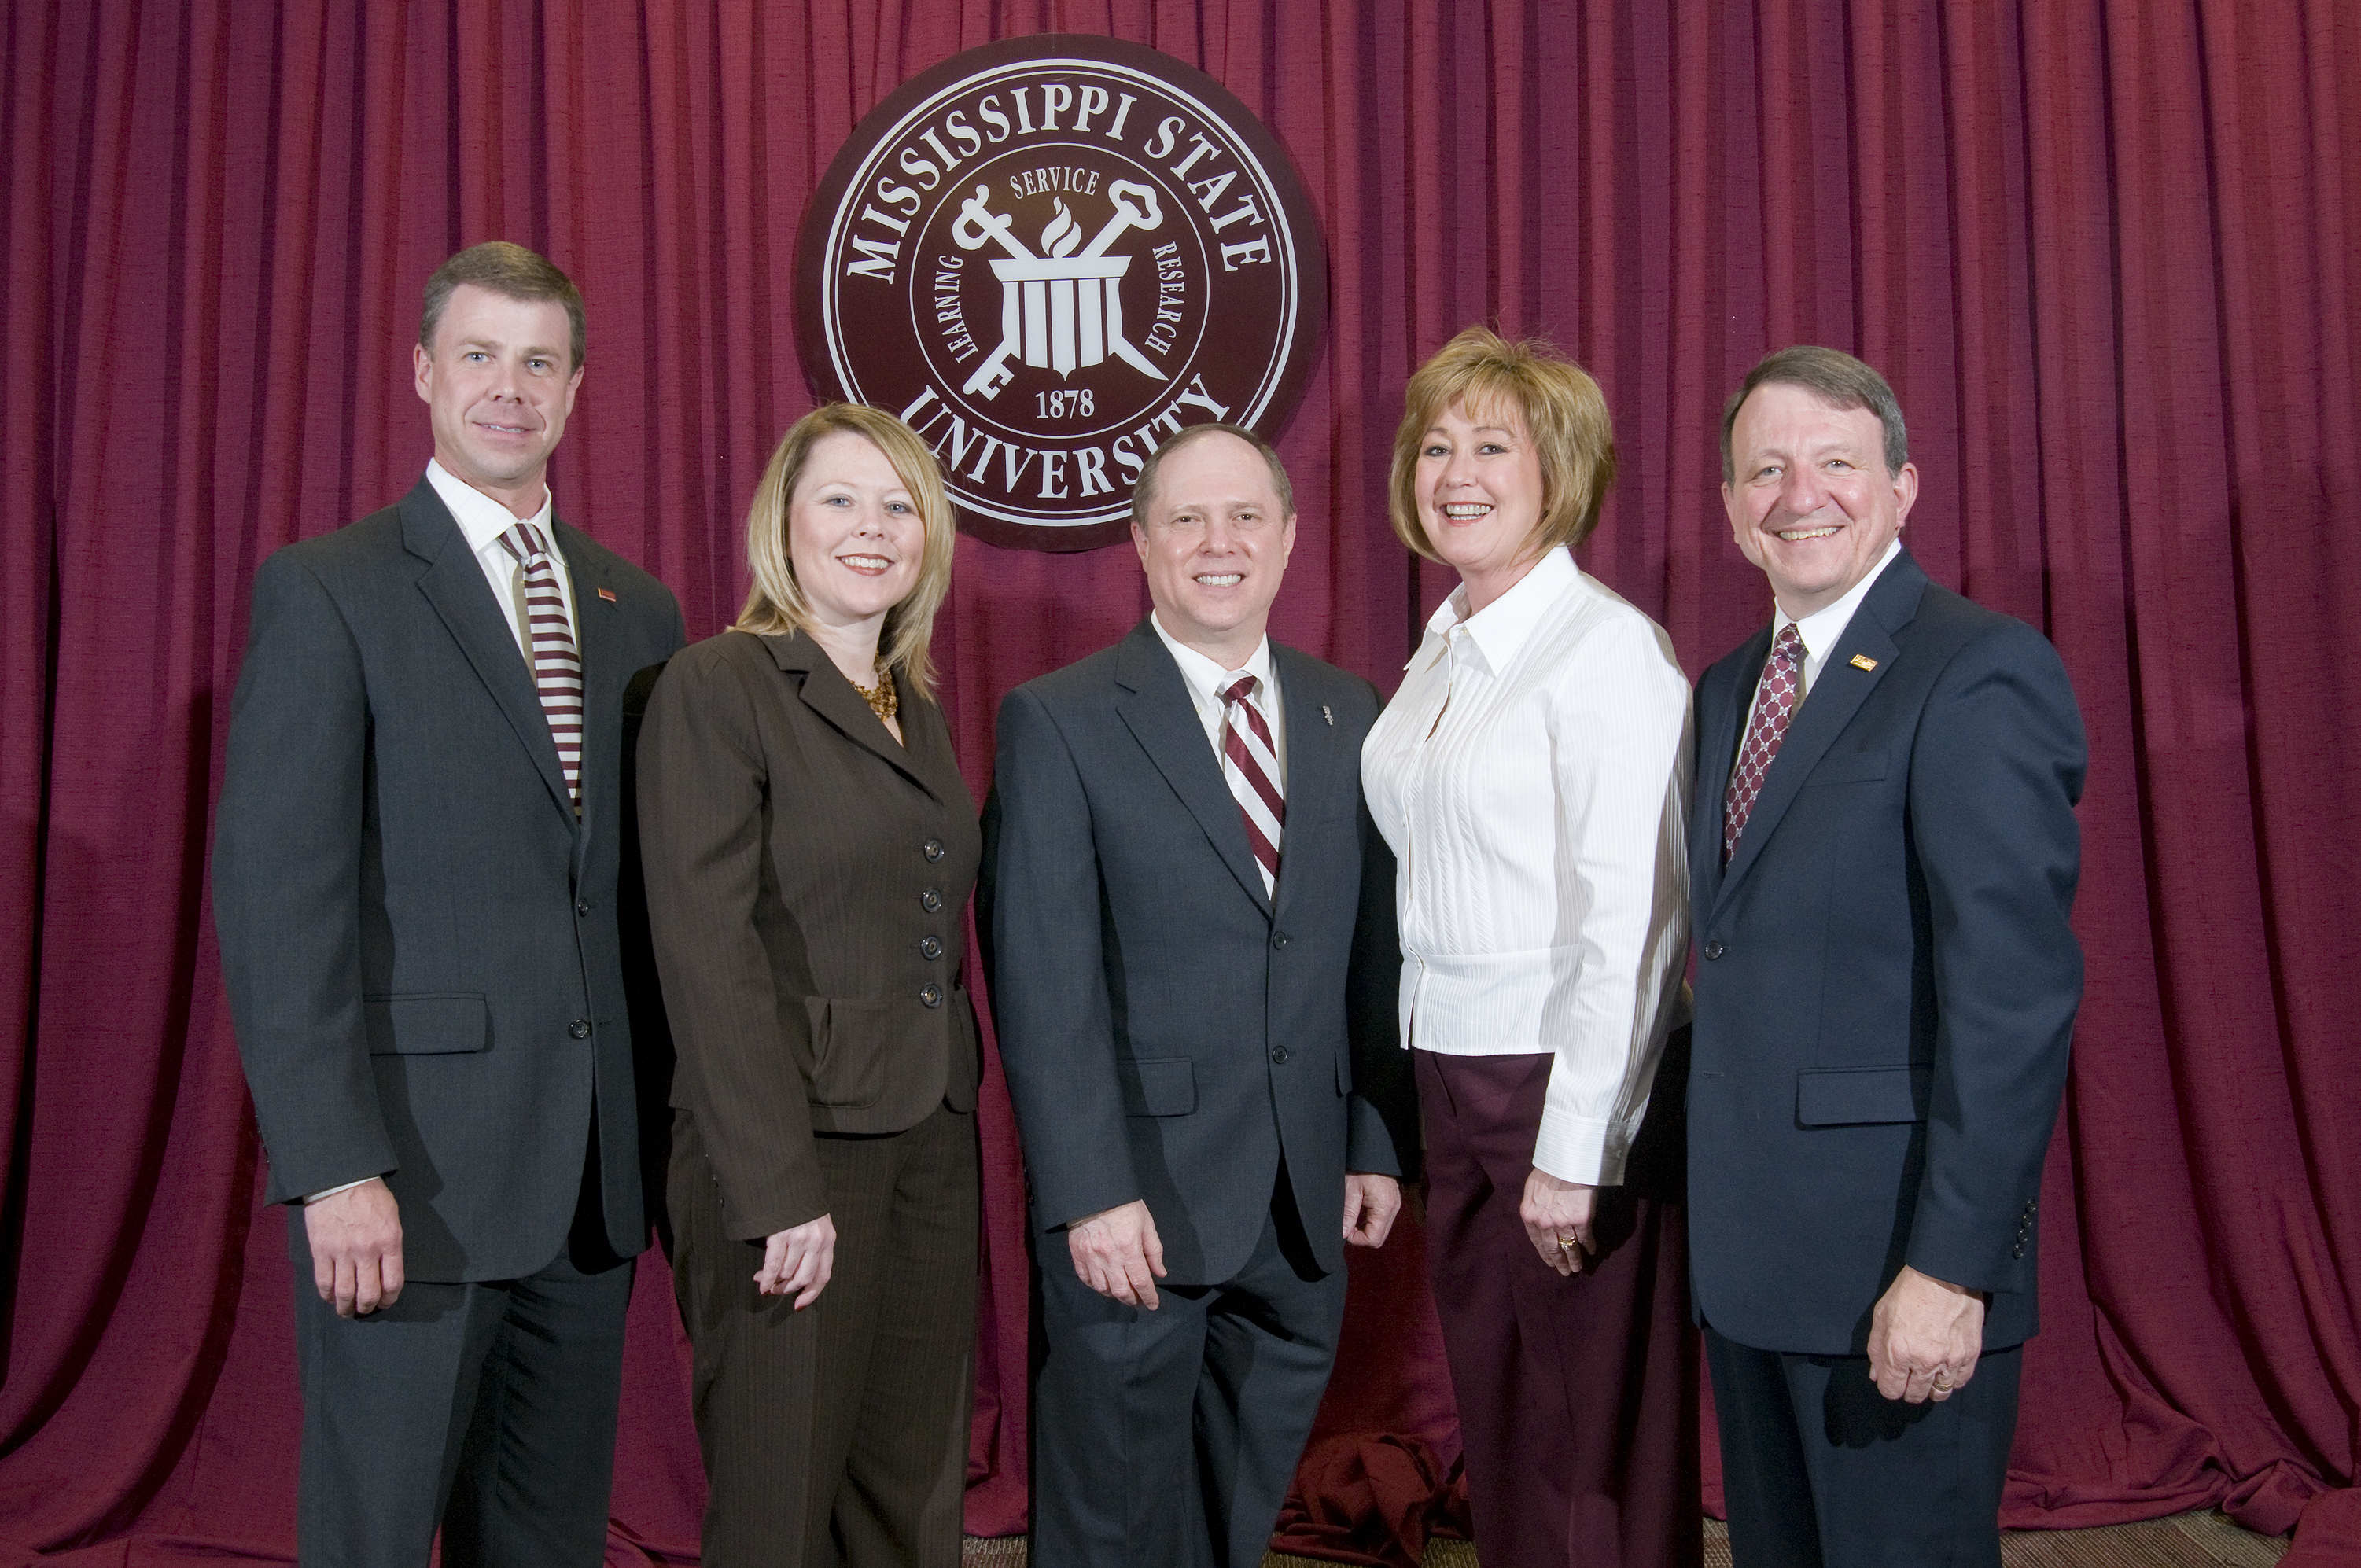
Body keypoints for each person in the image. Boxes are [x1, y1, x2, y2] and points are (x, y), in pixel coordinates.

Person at [212, 241, 686, 1566]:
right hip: (409, 1177)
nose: (508, 388)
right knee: (371, 1530)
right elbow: (279, 898)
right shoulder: (331, 589)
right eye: (478, 355)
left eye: (539, 361)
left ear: (578, 387)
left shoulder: (637, 609)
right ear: (423, 372)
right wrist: (331, 1163)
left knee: (543, 1540)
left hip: (589, 1185)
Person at [980, 422, 1416, 1567]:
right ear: (1139, 541)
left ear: (1283, 541)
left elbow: (1375, 957)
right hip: (1136, 1211)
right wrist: (1087, 1192)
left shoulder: (1348, 710)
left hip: (1298, 1205)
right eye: (1185, 519)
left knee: (1234, 1519)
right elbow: (1042, 977)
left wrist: (1369, 1139)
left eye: (1243, 518)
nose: (1217, 543)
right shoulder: (1059, 718)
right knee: (1112, 1528)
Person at [1689, 346, 2086, 1566]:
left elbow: (2009, 1000)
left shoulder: (1976, 670)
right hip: (1751, 1268)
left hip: (1892, 1272)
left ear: (1902, 488)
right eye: (1765, 468)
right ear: (1728, 507)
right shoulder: (1723, 688)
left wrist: (1949, 1269)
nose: (1797, 492)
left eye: (1835, 463)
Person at [1360, 328, 1698, 1568]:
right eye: (1436, 444)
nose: (1457, 471)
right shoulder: (1447, 645)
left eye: (1491, 445)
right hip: (1454, 1074)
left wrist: (1576, 1149)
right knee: (1506, 1411)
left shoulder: (1603, 650)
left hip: (1557, 1082)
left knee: (1584, 1434)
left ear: (1556, 473)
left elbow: (1638, 920)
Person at [634, 404, 980, 1566]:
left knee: (909, 1489)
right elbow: (706, 950)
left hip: (927, 1138)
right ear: (783, 522)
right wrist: (775, 1187)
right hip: (788, 1151)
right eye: (840, 498)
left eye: (899, 506)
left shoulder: (912, 702)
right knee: (780, 1502)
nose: (872, 528)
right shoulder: (719, 684)